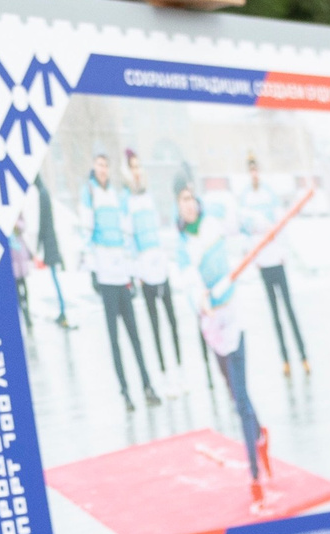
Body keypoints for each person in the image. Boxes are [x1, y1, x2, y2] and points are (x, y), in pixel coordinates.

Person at [179, 185, 272, 510]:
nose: (189, 205)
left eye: (191, 198)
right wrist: (200, 299)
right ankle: (259, 435)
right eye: (182, 201)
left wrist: (261, 225)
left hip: (234, 317)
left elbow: (242, 221)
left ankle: (254, 476)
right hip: (212, 326)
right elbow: (189, 282)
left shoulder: (214, 221)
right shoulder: (183, 245)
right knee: (235, 394)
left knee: (240, 400)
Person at [79, 151, 158, 409]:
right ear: (94, 167)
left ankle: (147, 385)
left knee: (135, 335)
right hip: (105, 276)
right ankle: (125, 392)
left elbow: (126, 234)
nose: (102, 169)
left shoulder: (116, 196)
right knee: (114, 339)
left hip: (122, 274)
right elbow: (86, 230)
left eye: (106, 165)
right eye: (99, 165)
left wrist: (132, 272)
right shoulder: (89, 193)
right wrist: (92, 270)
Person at [240, 154, 310, 378]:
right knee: (275, 314)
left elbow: (281, 224)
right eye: (250, 170)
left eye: (256, 170)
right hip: (263, 264)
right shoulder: (245, 199)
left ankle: (303, 356)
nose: (254, 174)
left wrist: (283, 253)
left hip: (277, 260)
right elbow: (246, 232)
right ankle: (285, 359)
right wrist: (254, 259)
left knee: (289, 309)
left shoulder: (269, 194)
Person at [127, 150, 182, 373]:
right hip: (145, 270)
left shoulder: (149, 198)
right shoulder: (127, 201)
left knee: (172, 320)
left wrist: (164, 259)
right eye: (133, 168)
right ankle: (163, 369)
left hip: (160, 266)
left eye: (139, 167)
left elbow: (158, 230)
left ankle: (179, 366)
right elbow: (129, 238)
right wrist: (137, 270)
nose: (137, 172)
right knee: (155, 323)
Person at [34, 179, 75, 328]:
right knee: (55, 279)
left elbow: (42, 221)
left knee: (56, 280)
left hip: (49, 243)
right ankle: (62, 311)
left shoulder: (42, 195)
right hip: (50, 242)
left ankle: (63, 311)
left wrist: (38, 243)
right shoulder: (44, 193)